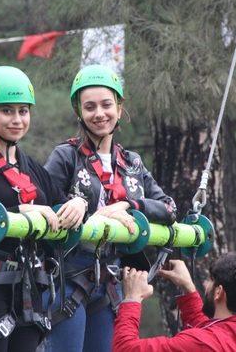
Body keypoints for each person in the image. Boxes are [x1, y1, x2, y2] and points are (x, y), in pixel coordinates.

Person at [0, 66, 88, 352]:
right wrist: (21, 210)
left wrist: (79, 202)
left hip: (30, 289)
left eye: (23, 111)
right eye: (7, 111)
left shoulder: (33, 169)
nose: (17, 119)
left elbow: (58, 203)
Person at [43, 64, 178, 352]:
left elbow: (168, 208)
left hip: (112, 281)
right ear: (78, 111)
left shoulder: (132, 163)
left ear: (119, 106)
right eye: (89, 107)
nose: (99, 113)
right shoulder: (66, 157)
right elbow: (41, 205)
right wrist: (85, 209)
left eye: (106, 105)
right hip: (70, 277)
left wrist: (129, 206)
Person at [113, 252, 236, 352]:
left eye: (211, 280)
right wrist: (188, 288)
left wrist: (132, 299)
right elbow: (214, 336)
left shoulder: (202, 344)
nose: (205, 285)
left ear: (219, 292)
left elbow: (125, 349)